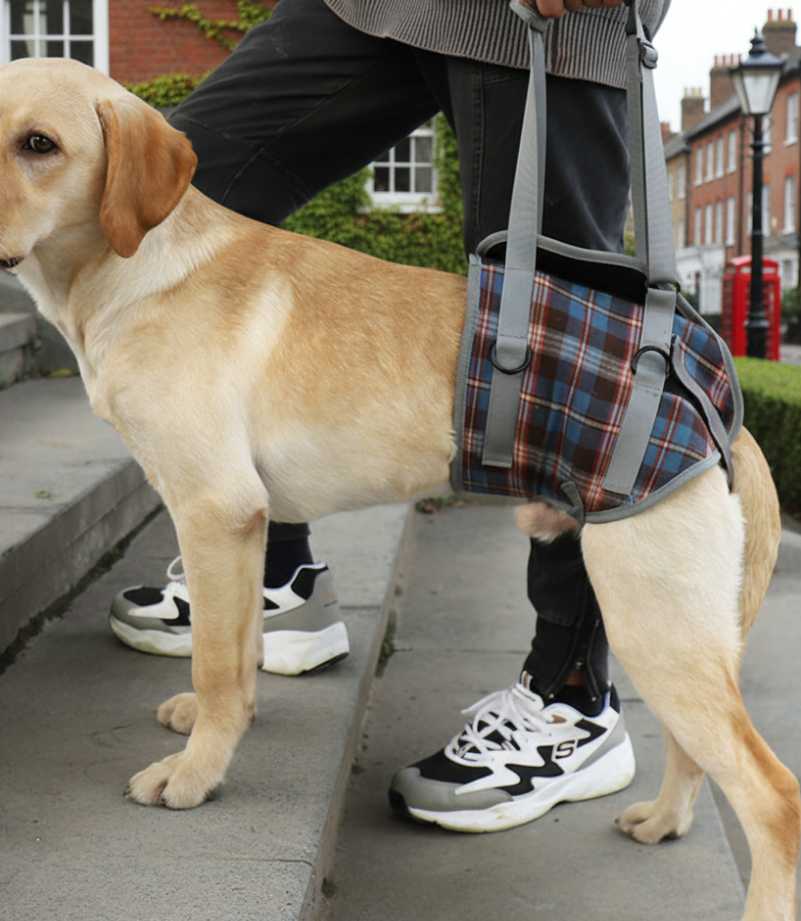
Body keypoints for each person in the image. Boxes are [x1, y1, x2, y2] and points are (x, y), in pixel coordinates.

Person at [109, 0, 672, 831]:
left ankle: (569, 696)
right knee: (182, 187)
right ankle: (278, 573)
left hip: (541, 20)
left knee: (564, 329)